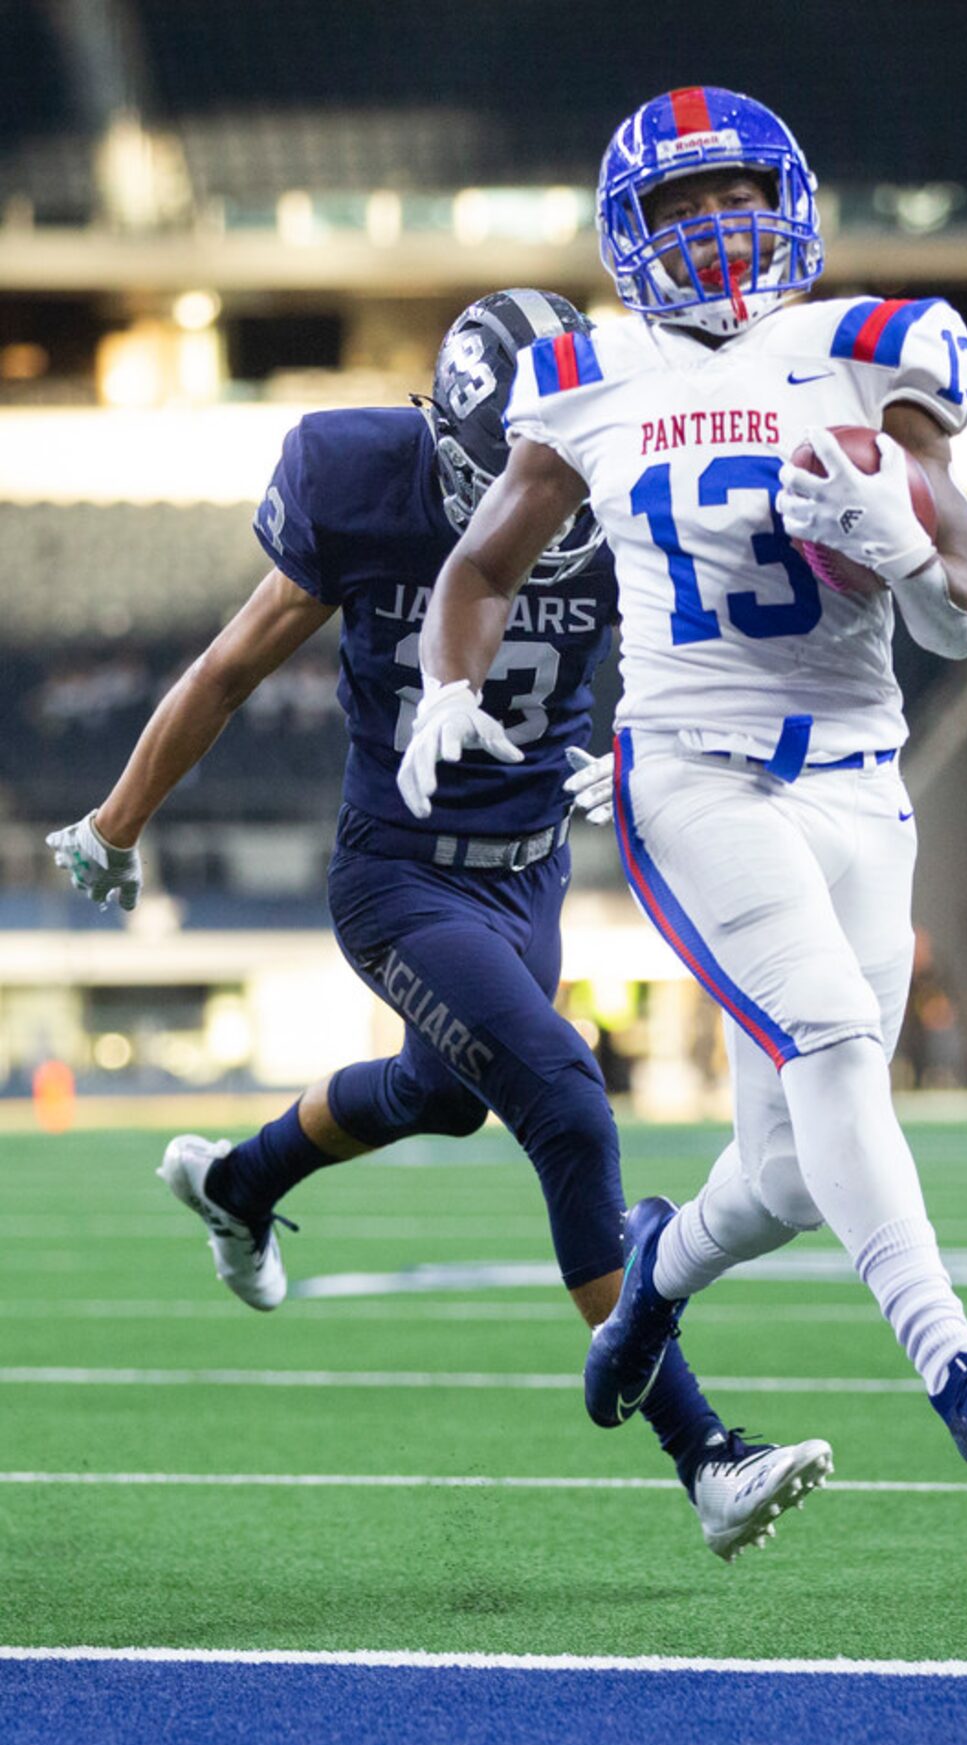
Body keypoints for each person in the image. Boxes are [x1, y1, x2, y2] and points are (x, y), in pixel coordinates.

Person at [46, 287, 832, 1562]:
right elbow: (231, 665)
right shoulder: (361, 481)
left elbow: (736, 643)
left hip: (526, 874)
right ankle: (707, 1459)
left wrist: (662, 754)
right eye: (496, 466)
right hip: (399, 874)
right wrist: (115, 822)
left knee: (446, 1091)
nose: (524, 493)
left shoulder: (640, 467)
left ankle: (238, 1184)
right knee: (567, 1105)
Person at [397, 90, 967, 1485]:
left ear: (788, 200)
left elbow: (960, 619)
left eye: (733, 195)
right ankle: (957, 1366)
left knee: (784, 1168)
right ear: (628, 233)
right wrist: (446, 688)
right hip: (690, 775)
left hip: (855, 783)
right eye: (679, 206)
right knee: (830, 1042)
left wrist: (897, 541)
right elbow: (477, 570)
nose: (714, 226)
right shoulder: (583, 371)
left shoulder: (869, 349)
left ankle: (653, 1275)